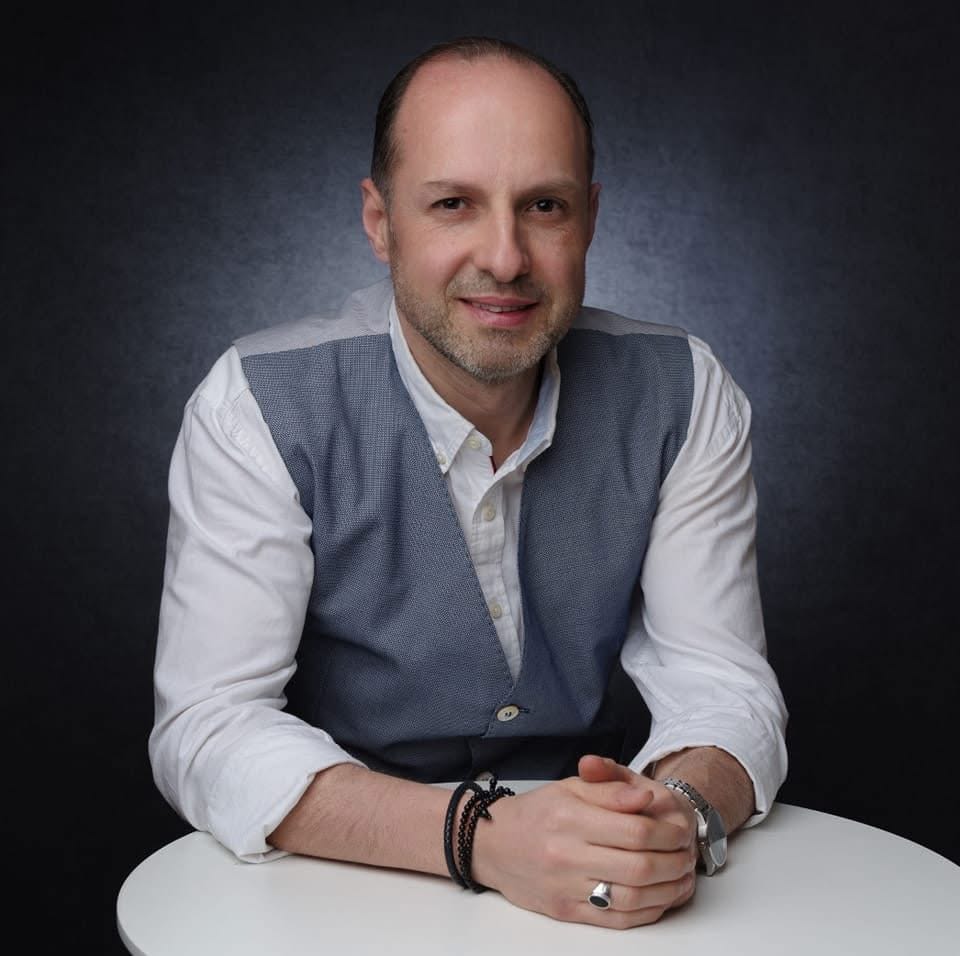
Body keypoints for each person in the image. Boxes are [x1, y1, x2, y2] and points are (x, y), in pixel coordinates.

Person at [149, 35, 788, 929]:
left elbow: (721, 685)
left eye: (544, 206)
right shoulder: (255, 404)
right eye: (453, 203)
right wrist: (481, 837)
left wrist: (672, 815)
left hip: (602, 888)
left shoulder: (684, 389)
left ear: (590, 218)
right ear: (381, 222)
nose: (506, 256)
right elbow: (208, 726)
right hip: (341, 887)